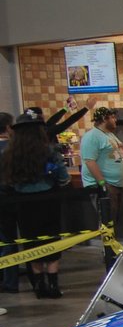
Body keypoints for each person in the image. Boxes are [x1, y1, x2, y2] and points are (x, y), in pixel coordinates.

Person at [0, 112, 70, 299]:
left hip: (23, 203)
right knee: (52, 241)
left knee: (31, 242)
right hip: (48, 200)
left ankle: (39, 286)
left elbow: (8, 181)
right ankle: (54, 285)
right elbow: (63, 177)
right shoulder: (48, 150)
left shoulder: (10, 154)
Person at [79, 106, 123, 267]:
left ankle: (113, 248)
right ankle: (107, 252)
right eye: (112, 118)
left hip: (117, 184)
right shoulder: (92, 137)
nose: (115, 120)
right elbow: (89, 161)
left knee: (115, 219)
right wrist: (101, 183)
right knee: (107, 220)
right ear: (104, 119)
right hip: (106, 184)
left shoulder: (109, 135)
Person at [0, 112, 18, 296]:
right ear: (7, 128)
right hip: (9, 199)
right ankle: (11, 281)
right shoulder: (12, 149)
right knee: (9, 241)